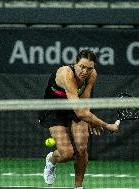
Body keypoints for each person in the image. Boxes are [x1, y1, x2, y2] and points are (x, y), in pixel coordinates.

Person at [38, 49, 119, 189]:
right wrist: (106, 125)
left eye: (89, 68)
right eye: (82, 66)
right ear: (75, 63)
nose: (85, 71)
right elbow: (81, 113)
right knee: (67, 153)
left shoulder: (92, 75)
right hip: (54, 110)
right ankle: (51, 160)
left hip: (76, 107)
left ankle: (78, 187)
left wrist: (90, 119)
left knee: (81, 148)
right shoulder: (66, 74)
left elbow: (84, 102)